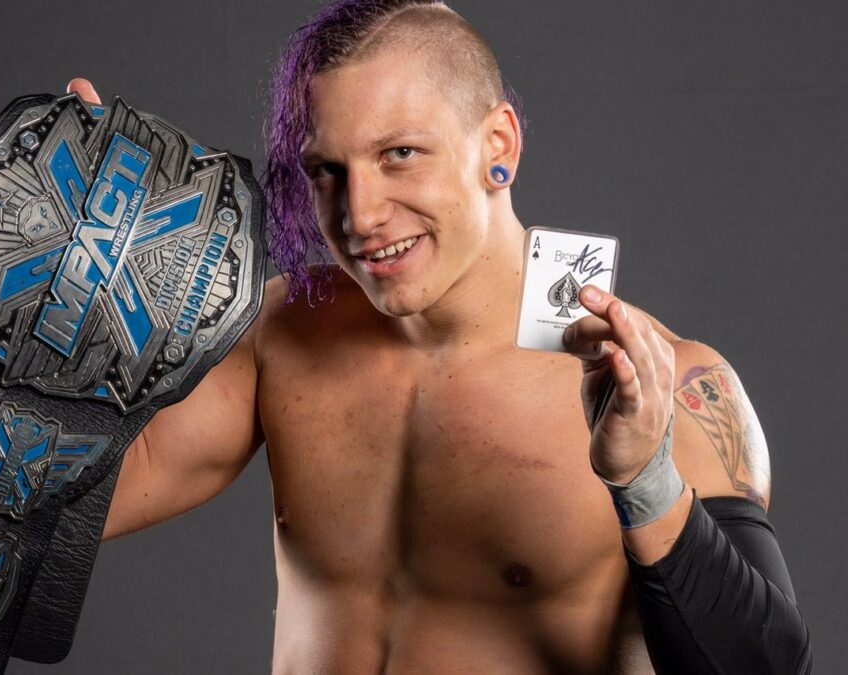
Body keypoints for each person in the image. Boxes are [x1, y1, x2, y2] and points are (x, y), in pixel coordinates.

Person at [69, 1, 811, 672]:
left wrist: (645, 480)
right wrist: (77, 303)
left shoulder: (666, 384)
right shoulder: (283, 330)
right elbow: (53, 506)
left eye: (400, 154)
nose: (360, 215)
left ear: (499, 145)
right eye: (328, 170)